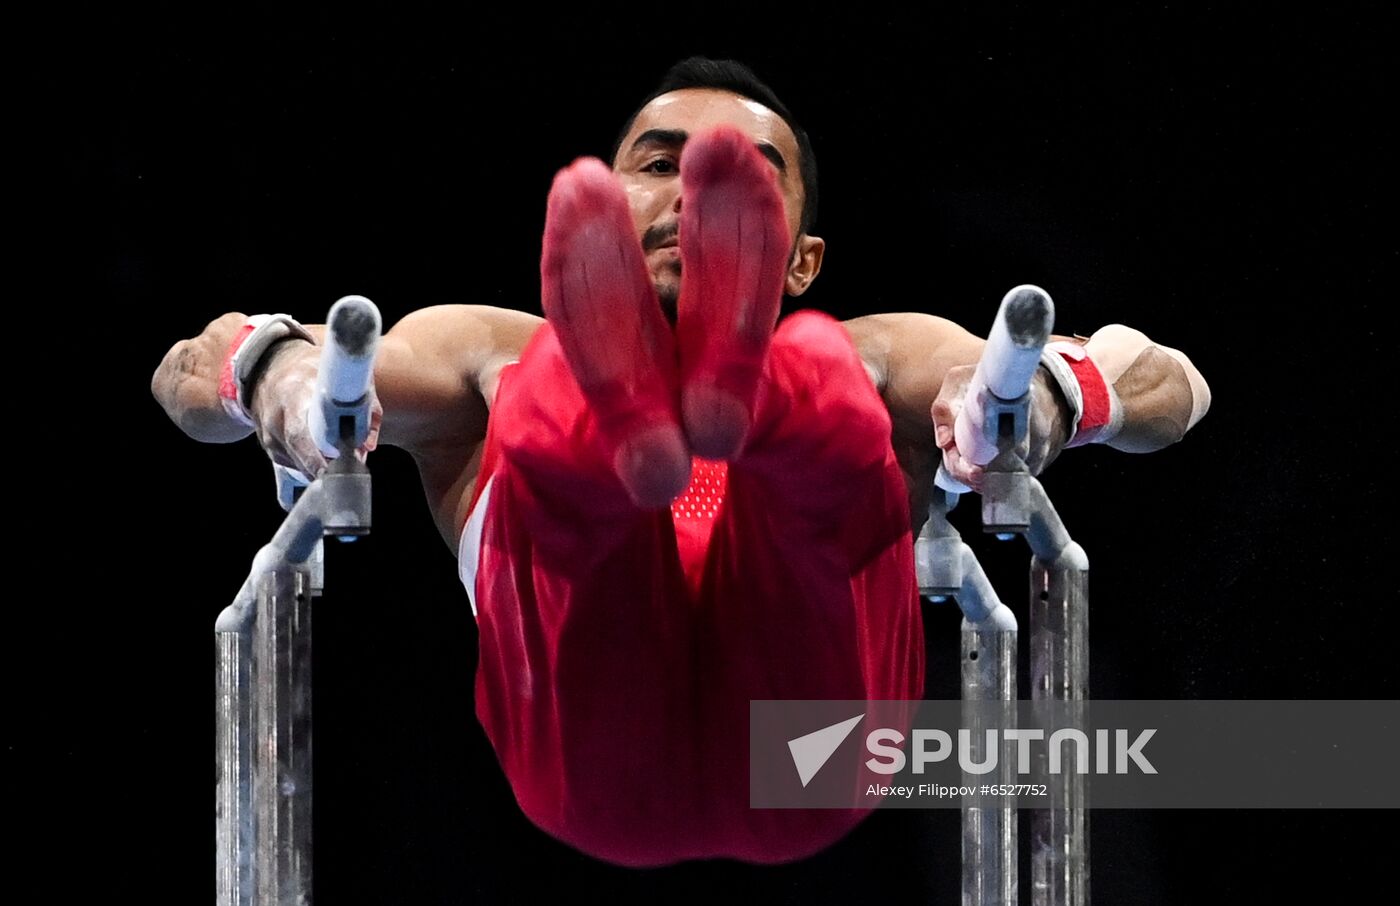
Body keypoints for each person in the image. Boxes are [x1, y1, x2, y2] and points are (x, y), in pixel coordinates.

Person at [151, 57, 1210, 867]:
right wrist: (283, 384)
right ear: (607, 203)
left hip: (806, 754)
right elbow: (185, 374)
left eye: (739, 181)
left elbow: (1169, 385)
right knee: (544, 391)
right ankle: (624, 420)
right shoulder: (487, 346)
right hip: (600, 765)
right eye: (658, 166)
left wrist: (1054, 401)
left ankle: (732, 396)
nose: (686, 198)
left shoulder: (882, 348)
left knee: (826, 379)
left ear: (799, 257)